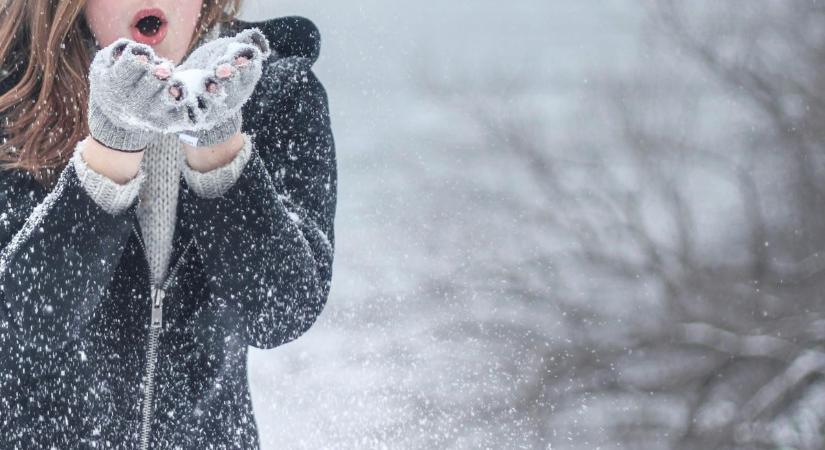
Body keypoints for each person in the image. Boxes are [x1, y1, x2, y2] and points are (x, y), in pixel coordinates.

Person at [0, 0, 336, 448]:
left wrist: (218, 148)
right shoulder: (13, 96)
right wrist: (111, 152)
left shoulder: (276, 93)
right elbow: (21, 327)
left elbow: (281, 312)